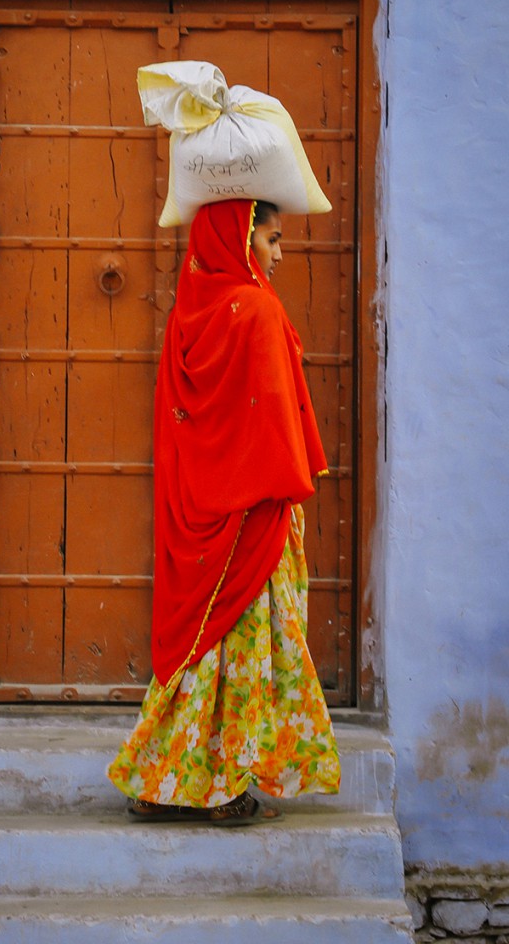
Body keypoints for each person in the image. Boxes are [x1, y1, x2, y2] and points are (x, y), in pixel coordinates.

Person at [106, 197, 340, 824]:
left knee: (198, 646)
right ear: (240, 242)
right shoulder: (257, 309)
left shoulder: (189, 312)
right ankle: (224, 786)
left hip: (201, 507)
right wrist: (281, 484)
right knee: (242, 644)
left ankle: (158, 781)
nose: (280, 255)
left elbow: (189, 421)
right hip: (252, 510)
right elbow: (271, 418)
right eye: (272, 240)